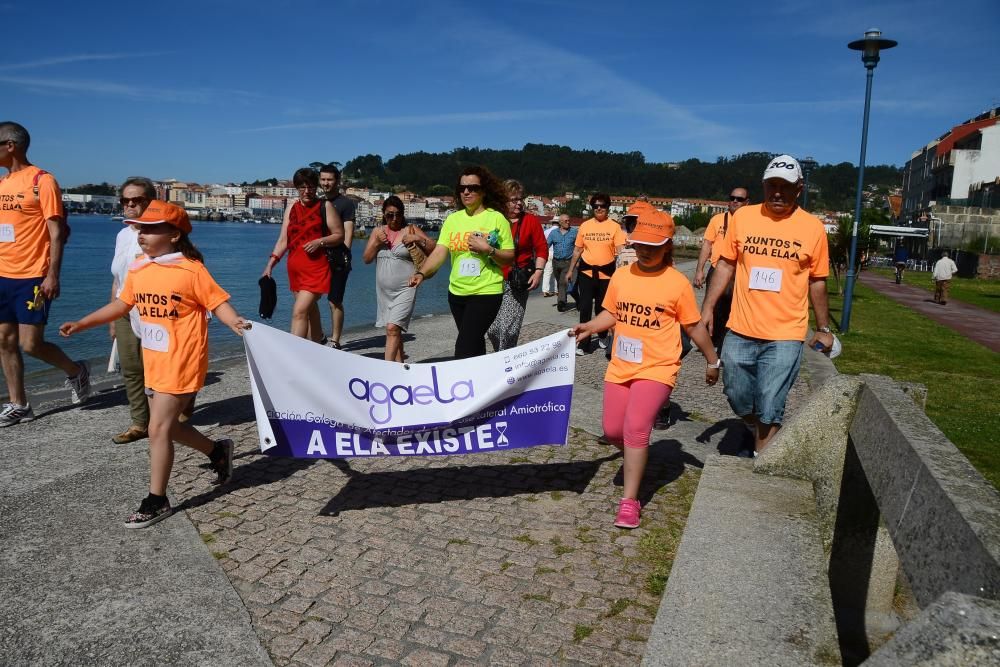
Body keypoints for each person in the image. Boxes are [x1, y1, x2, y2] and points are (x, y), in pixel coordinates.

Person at [60, 201, 248, 528]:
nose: (141, 233)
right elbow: (121, 304)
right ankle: (218, 452)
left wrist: (236, 324)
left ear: (175, 234)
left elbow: (218, 303)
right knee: (169, 427)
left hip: (182, 360)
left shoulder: (192, 270)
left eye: (150, 228)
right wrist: (82, 323)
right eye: (139, 227)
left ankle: (157, 500)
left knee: (157, 429)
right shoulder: (139, 268)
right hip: (154, 359)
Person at [570, 209, 720, 528]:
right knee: (613, 431)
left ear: (668, 246)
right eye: (640, 244)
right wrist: (590, 327)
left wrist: (712, 360)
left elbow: (693, 328)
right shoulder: (622, 276)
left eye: (654, 245)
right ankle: (637, 457)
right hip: (621, 366)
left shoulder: (677, 284)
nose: (646, 251)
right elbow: (611, 314)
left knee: (636, 427)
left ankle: (630, 501)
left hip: (658, 367)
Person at [701, 155, 834, 456]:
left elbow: (817, 282)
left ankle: (761, 463)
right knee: (736, 393)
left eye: (785, 187)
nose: (777, 192)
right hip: (740, 327)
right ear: (763, 185)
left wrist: (824, 328)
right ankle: (753, 426)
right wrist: (708, 307)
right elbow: (725, 265)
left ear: (798, 189)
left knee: (770, 401)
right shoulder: (743, 218)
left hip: (786, 333)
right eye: (772, 185)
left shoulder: (812, 228)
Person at [0, 121, 91, 427]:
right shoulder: (1, 184)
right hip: (3, 274)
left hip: (33, 276)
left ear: (10, 145)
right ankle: (19, 404)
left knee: (30, 344)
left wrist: (53, 274)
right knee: (4, 340)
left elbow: (55, 233)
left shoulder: (42, 181)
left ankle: (76, 371)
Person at [409, 166, 514, 359]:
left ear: (483, 190)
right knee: (474, 342)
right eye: (462, 188)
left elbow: (509, 257)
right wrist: (422, 273)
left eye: (472, 187)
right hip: (456, 293)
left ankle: (461, 385)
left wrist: (488, 250)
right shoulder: (453, 219)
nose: (466, 191)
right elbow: (440, 251)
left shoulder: (496, 219)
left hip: (486, 292)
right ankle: (481, 383)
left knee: (464, 347)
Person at [262, 168, 343, 341]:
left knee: (299, 312)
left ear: (316, 187)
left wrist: (319, 242)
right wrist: (270, 264)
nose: (307, 192)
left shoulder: (324, 206)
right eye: (302, 188)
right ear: (297, 188)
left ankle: (294, 355)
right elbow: (283, 240)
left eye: (311, 187)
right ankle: (318, 341)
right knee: (310, 311)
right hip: (295, 270)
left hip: (317, 269)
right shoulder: (291, 208)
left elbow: (339, 235)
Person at [108, 177, 155, 443]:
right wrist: (112, 316)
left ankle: (166, 417)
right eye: (125, 200)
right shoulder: (122, 234)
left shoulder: (159, 232)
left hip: (154, 310)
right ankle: (140, 423)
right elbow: (117, 278)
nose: (130, 205)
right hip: (125, 307)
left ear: (149, 202)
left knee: (156, 369)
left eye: (136, 200)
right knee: (131, 366)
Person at [362, 196, 436, 361]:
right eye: (390, 215)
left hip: (405, 288)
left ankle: (387, 370)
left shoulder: (411, 229)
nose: (394, 218)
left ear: (402, 214)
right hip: (384, 292)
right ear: (383, 214)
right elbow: (366, 259)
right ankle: (400, 366)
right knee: (393, 331)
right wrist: (375, 243)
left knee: (392, 329)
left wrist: (418, 239)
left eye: (397, 214)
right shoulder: (377, 232)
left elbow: (434, 248)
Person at [486, 179, 548, 351]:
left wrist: (538, 272)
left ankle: (504, 363)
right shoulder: (494, 219)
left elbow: (542, 248)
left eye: (521, 199)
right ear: (503, 200)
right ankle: (502, 355)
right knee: (492, 329)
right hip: (492, 279)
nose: (519, 203)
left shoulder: (530, 221)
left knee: (508, 329)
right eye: (514, 199)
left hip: (517, 280)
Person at [567, 193, 626, 354]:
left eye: (602, 206)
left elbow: (621, 252)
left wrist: (625, 273)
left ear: (608, 208)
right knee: (584, 307)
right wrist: (571, 270)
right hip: (586, 272)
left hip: (606, 275)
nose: (599, 208)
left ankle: (602, 335)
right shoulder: (585, 226)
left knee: (602, 308)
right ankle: (583, 344)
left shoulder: (614, 227)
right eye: (595, 206)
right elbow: (578, 249)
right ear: (592, 208)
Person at [693, 187, 750, 354]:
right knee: (712, 307)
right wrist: (699, 270)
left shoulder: (750, 222)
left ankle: (726, 345)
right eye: (732, 197)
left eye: (739, 199)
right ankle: (708, 340)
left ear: (747, 202)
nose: (734, 201)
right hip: (717, 267)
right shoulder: (717, 220)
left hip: (739, 272)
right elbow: (707, 244)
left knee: (734, 310)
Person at [319, 164, 356, 349]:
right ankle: (318, 335)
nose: (326, 183)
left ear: (337, 181)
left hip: (338, 259)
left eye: (330, 179)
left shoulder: (346, 204)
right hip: (318, 258)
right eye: (323, 179)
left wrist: (345, 256)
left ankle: (335, 340)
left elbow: (348, 232)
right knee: (311, 298)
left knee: (335, 300)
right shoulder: (317, 202)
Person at [548, 214, 578, 312]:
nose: (568, 222)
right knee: (560, 283)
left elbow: (580, 247)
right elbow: (546, 245)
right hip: (556, 262)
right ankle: (579, 299)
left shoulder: (574, 232)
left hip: (568, 262)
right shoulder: (553, 233)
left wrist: (578, 261)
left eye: (569, 220)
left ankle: (561, 303)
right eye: (565, 221)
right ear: (560, 222)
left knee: (563, 282)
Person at [541, 219, 558, 297]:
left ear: (552, 223)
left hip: (548, 252)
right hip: (557, 253)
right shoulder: (560, 231)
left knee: (547, 272)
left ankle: (545, 290)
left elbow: (544, 243)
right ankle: (557, 290)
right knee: (557, 273)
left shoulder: (546, 231)